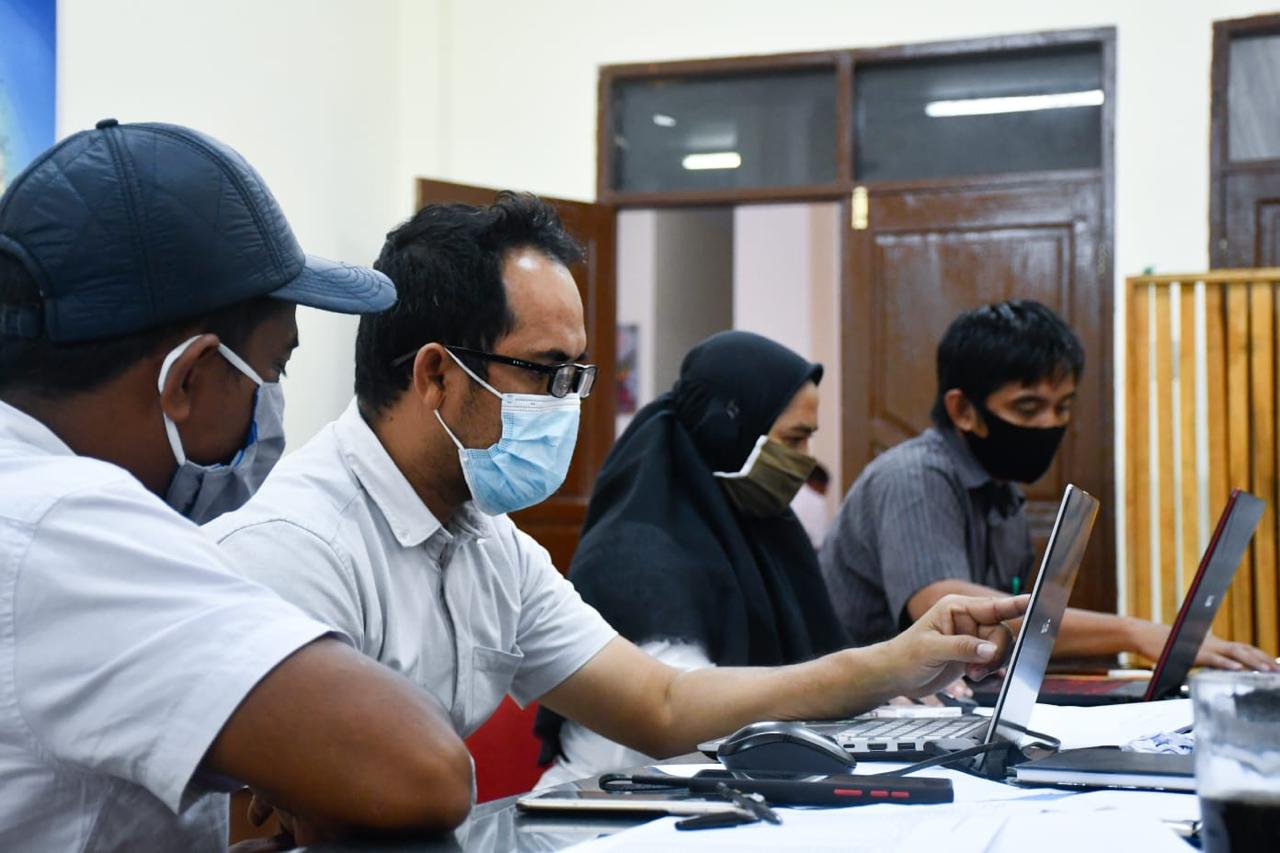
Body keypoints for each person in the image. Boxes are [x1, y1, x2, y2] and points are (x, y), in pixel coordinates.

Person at [208, 192, 1028, 815]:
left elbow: (660, 702)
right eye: (547, 372)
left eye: (580, 374)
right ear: (436, 376)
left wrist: (891, 663)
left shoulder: (490, 540)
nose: (569, 404)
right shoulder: (297, 547)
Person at [0, 120, 474, 852]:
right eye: (273, 369)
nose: (273, 407)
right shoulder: (64, 523)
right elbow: (422, 767)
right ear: (186, 378)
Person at [820, 299, 1278, 672]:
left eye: (1062, 408)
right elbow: (947, 608)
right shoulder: (914, 475)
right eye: (1027, 408)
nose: (1050, 425)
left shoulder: (1005, 494)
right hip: (869, 718)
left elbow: (1006, 628)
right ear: (963, 411)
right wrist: (1135, 633)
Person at [533, 331, 848, 786]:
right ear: (730, 434)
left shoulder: (765, 531)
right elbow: (681, 727)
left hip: (728, 791)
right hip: (617, 807)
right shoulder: (638, 557)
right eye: (793, 439)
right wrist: (862, 676)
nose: (803, 461)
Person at [792, 461, 833, 549]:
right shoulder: (815, 500)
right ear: (816, 483)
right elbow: (820, 543)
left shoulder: (789, 493)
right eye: (824, 488)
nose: (825, 493)